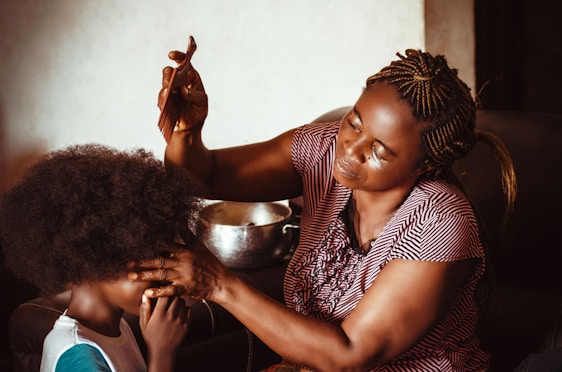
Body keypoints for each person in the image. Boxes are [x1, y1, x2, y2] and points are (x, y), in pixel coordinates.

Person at [130, 41, 517, 371]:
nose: (351, 150)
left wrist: (218, 283)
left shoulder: (440, 222)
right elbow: (204, 177)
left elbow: (350, 354)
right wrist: (187, 132)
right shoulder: (324, 149)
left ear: (425, 164)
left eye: (378, 151)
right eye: (355, 122)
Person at [0, 144, 205, 371]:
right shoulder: (78, 355)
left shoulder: (115, 329)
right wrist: (162, 352)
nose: (165, 276)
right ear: (96, 259)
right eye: (153, 262)